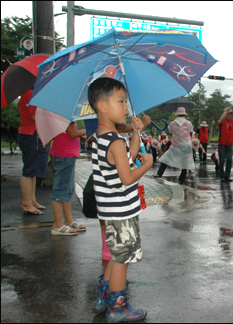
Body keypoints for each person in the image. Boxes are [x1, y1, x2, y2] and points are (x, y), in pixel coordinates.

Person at [89, 77, 151, 322]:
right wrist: (148, 165)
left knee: (116, 258)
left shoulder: (103, 136)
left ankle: (103, 298)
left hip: (109, 211)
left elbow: (129, 155)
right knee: (123, 260)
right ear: (103, 106)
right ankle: (118, 307)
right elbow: (127, 177)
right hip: (122, 211)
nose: (126, 106)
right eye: (121, 101)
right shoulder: (114, 140)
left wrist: (136, 131)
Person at [50, 122, 87, 235]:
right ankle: (58, 224)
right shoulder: (65, 115)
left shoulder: (67, 115)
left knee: (67, 189)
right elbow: (72, 133)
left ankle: (68, 220)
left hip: (67, 154)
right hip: (64, 154)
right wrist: (91, 129)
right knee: (60, 190)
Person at [18, 89, 50, 215]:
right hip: (31, 134)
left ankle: (32, 200)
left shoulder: (30, 92)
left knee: (33, 171)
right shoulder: (32, 93)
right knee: (29, 170)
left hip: (31, 133)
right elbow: (33, 115)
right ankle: (27, 203)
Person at [157, 107, 194, 184]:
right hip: (186, 145)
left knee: (166, 159)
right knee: (185, 163)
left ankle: (159, 174)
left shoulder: (172, 123)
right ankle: (181, 179)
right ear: (184, 115)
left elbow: (170, 131)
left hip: (176, 145)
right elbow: (190, 130)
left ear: (177, 115)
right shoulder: (188, 123)